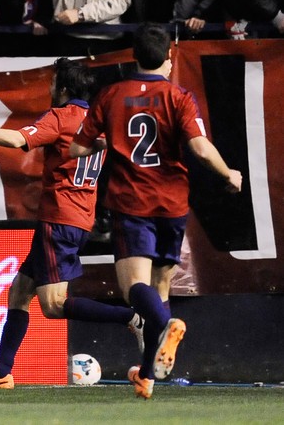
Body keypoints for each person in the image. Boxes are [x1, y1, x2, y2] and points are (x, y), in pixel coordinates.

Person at [0, 57, 144, 389]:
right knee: (19, 292)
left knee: (54, 306)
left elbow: (18, 141)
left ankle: (131, 317)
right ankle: (1, 375)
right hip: (78, 217)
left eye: (53, 81)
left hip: (59, 219)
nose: (49, 87)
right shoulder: (97, 119)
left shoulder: (62, 117)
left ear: (64, 88)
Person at [69, 23, 242, 399]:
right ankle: (146, 375)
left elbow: (77, 149)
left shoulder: (111, 95)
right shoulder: (179, 97)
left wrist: (105, 142)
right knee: (160, 286)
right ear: (168, 57)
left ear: (133, 56)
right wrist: (228, 172)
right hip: (172, 204)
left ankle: (166, 324)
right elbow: (198, 147)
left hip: (133, 204)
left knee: (135, 291)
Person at [29, 0, 132, 56]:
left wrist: (81, 14)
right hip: (64, 38)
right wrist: (41, 18)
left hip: (102, 42)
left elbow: (120, 0)